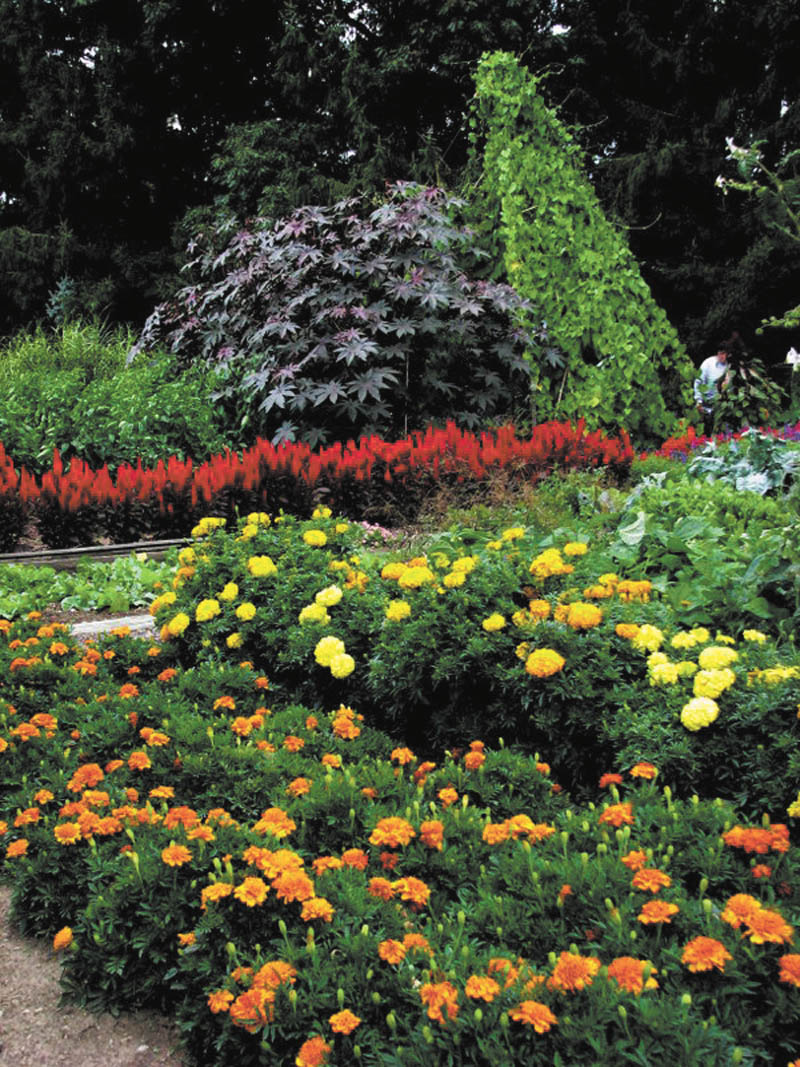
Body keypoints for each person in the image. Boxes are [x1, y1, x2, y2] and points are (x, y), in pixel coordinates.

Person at [693, 345, 730, 436]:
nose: (721, 356)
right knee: (704, 434)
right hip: (706, 405)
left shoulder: (729, 366)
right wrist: (698, 401)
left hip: (721, 407)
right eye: (720, 353)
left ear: (728, 354)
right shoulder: (708, 363)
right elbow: (698, 381)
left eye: (724, 354)